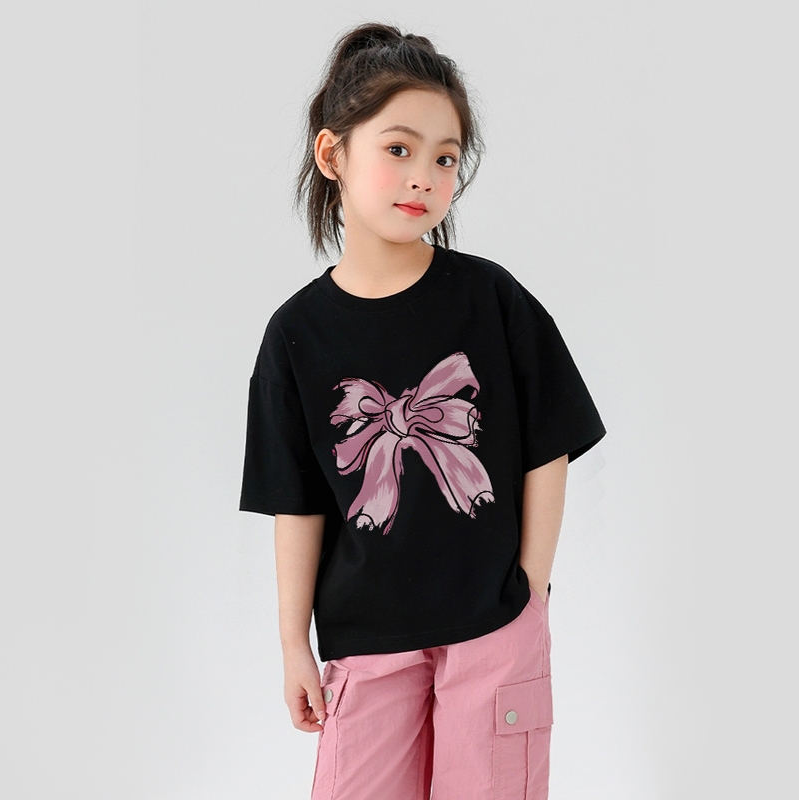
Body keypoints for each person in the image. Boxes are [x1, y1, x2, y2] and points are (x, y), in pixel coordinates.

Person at [239, 21, 606, 800]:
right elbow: (295, 502)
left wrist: (530, 590)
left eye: (444, 158)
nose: (424, 177)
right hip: (366, 640)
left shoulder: (491, 299)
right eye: (399, 149)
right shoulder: (296, 334)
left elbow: (550, 444)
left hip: (494, 632)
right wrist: (292, 642)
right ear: (332, 154)